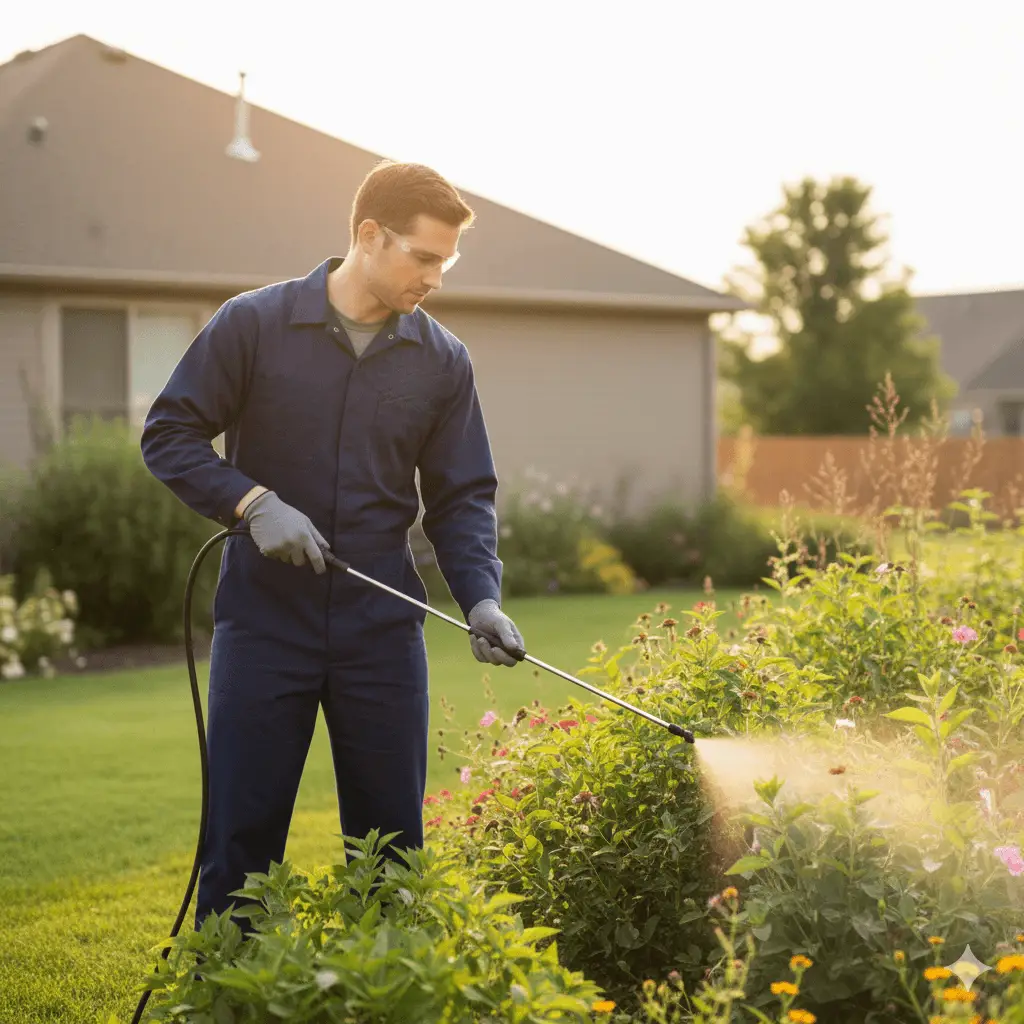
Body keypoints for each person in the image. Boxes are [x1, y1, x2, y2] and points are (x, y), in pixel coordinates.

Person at [140, 159, 526, 930]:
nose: (435, 278)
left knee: (391, 854)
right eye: (423, 258)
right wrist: (252, 503)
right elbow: (170, 433)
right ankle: (229, 1004)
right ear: (368, 235)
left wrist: (481, 595)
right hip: (263, 626)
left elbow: (460, 497)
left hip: (380, 635)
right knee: (240, 846)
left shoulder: (443, 361)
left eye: (445, 264)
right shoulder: (253, 324)